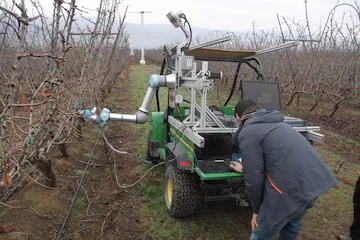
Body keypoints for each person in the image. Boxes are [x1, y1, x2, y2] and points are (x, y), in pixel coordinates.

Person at [229, 99, 338, 240]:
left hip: (289, 192)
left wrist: (256, 211)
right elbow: (276, 159)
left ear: (238, 117)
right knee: (291, 228)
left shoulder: (248, 131)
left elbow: (254, 178)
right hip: (313, 185)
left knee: (259, 234)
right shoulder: (279, 124)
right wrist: (246, 168)